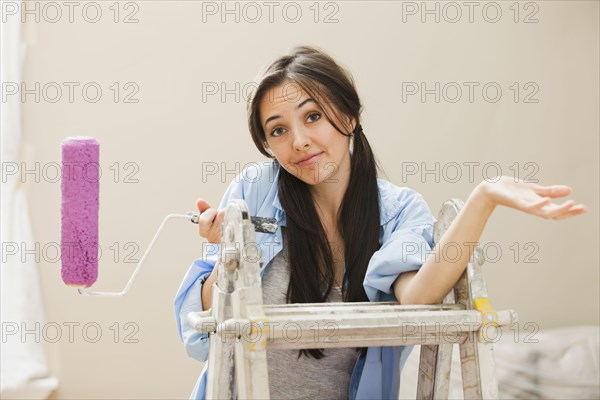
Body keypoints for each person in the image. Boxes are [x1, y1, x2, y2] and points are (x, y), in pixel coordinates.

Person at [174, 45, 587, 400]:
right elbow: (208, 324)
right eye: (278, 130)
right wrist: (228, 253)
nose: (298, 141)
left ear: (349, 117)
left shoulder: (399, 209)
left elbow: (418, 296)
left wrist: (483, 198)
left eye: (313, 116)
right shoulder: (253, 189)